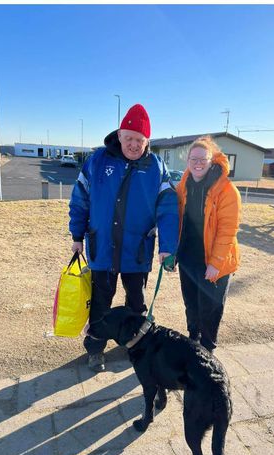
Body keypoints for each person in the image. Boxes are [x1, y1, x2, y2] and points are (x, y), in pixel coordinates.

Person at [68, 104, 179, 372]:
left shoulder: (156, 167)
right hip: (102, 248)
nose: (133, 144)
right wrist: (77, 234)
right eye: (128, 137)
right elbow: (80, 198)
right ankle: (95, 348)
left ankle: (134, 345)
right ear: (119, 135)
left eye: (139, 140)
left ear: (147, 142)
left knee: (136, 302)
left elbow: (167, 208)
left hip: (136, 251)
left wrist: (167, 247)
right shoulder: (98, 160)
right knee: (100, 302)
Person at [175, 135, 241, 353]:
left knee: (210, 308)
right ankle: (193, 339)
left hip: (214, 262)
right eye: (193, 159)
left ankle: (208, 348)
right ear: (187, 161)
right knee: (191, 304)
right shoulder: (183, 184)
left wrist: (216, 263)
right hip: (188, 258)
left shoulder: (227, 190)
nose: (197, 163)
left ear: (212, 159)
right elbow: (175, 217)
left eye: (202, 158)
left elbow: (227, 231)